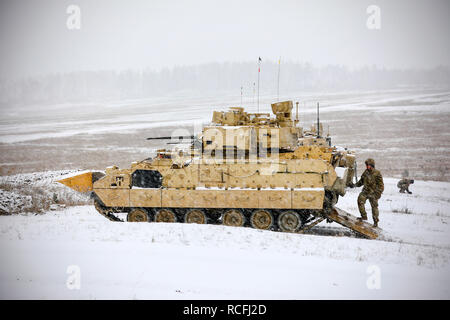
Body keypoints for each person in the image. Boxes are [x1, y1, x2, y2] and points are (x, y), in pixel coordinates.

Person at [349, 158, 384, 228]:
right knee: (360, 201)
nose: (367, 166)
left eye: (368, 165)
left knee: (374, 207)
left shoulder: (377, 173)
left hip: (374, 193)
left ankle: (375, 222)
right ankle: (364, 216)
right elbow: (361, 182)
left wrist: (378, 193)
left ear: (372, 165)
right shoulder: (366, 172)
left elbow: (381, 185)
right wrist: (354, 185)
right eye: (366, 165)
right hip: (365, 191)